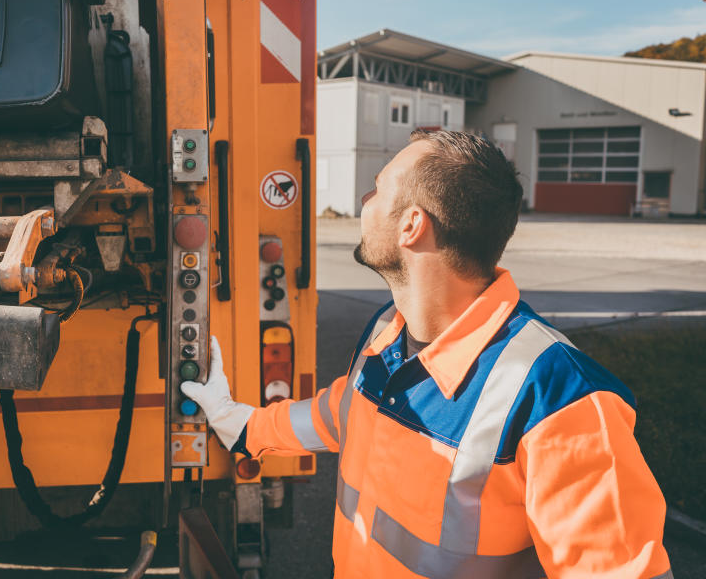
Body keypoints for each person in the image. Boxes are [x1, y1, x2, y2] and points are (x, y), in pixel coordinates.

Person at [181, 130, 672, 578]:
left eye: (376, 188)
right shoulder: (387, 333)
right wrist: (241, 425)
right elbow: (343, 412)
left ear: (412, 224)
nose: (363, 200)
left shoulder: (563, 400)